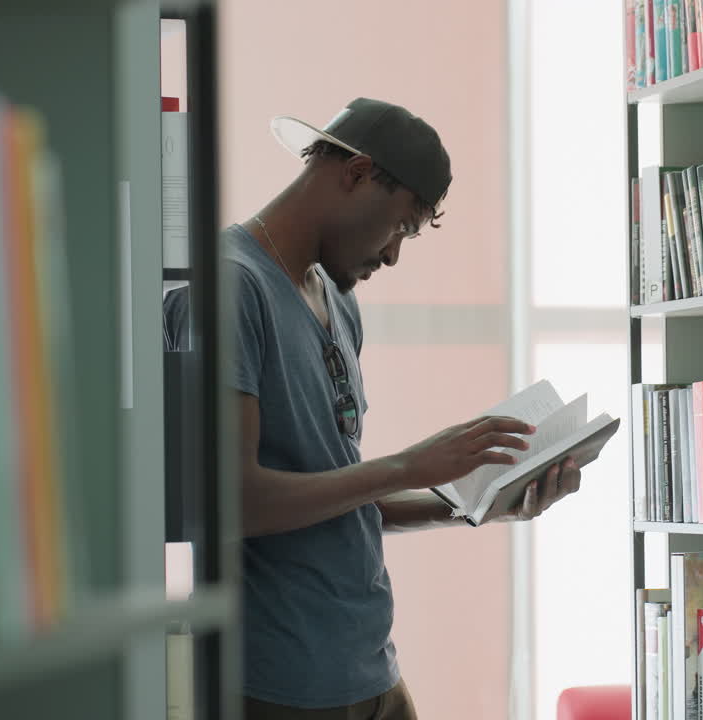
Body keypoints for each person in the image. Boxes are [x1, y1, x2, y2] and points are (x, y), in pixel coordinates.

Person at [207, 98, 585, 719]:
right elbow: (234, 502)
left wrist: (477, 507)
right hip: (284, 684)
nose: (393, 256)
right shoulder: (232, 286)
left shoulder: (334, 296)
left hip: (372, 670)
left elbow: (338, 495)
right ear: (356, 173)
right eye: (402, 227)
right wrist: (410, 466)